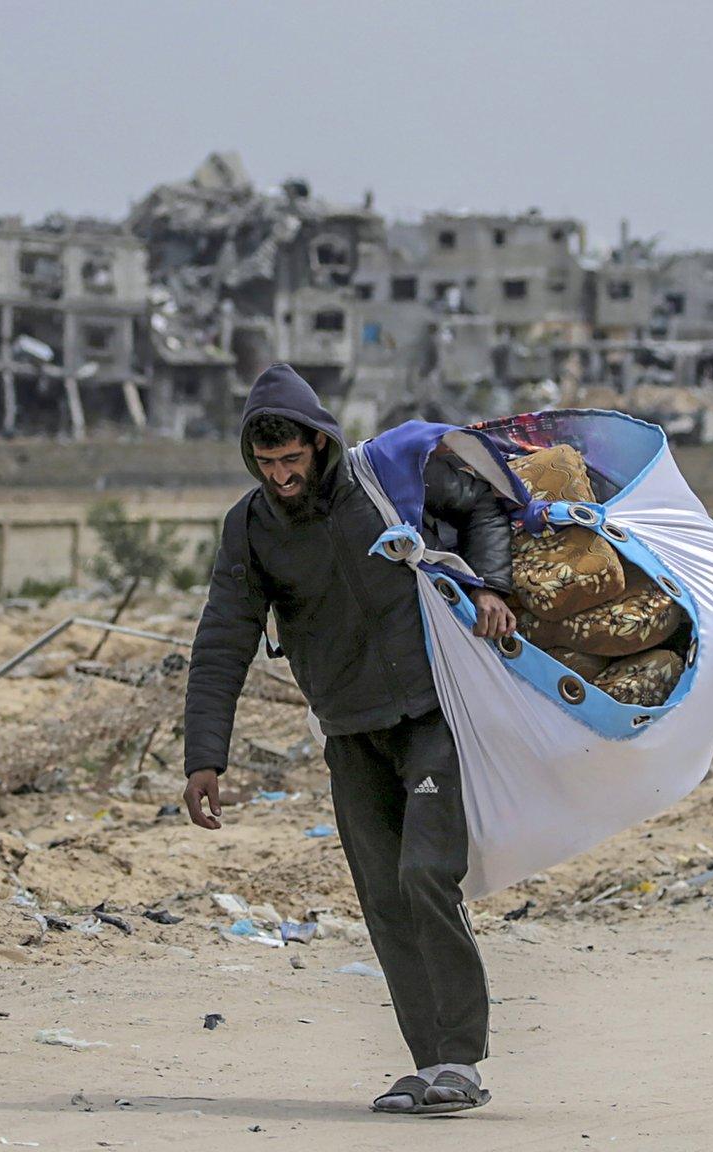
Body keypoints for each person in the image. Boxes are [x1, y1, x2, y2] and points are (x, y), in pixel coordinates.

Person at [183, 363, 516, 1115]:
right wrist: (204, 756)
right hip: (348, 730)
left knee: (426, 874)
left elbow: (483, 506)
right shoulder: (252, 527)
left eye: (291, 459)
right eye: (266, 464)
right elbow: (222, 639)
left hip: (432, 713)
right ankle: (430, 1064)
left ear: (318, 442)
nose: (281, 476)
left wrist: (494, 587)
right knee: (382, 897)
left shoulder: (382, 479)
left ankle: (461, 1057)